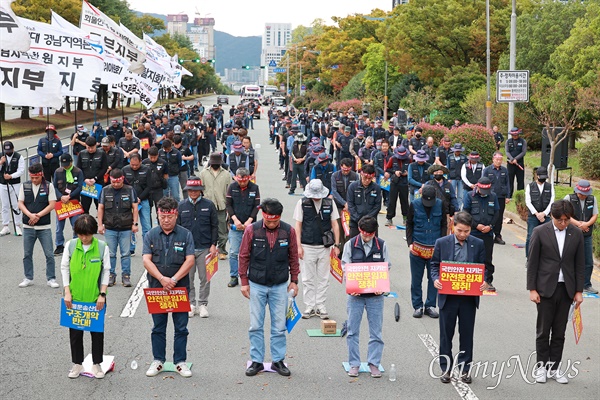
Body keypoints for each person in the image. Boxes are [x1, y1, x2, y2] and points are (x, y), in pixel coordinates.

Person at [238, 198, 300, 377]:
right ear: (263, 216)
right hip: (256, 284)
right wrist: (243, 282)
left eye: (275, 220)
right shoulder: (252, 230)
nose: (272, 223)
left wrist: (294, 280)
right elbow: (243, 256)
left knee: (279, 326)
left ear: (280, 216)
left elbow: (293, 257)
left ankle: (278, 360)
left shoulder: (288, 231)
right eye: (268, 220)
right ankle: (256, 361)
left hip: (280, 285)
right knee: (256, 325)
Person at [527, 200, 584, 384]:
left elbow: (579, 264)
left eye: (567, 220)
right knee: (543, 330)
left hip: (566, 289)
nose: (563, 223)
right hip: (545, 289)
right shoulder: (540, 232)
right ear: (552, 216)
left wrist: (578, 291)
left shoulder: (576, 234)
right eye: (560, 220)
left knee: (560, 331)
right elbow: (532, 262)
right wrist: (532, 289)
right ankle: (541, 367)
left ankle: (554, 367)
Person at [431, 211, 488, 384]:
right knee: (446, 335)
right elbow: (434, 265)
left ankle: (465, 369)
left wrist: (484, 281)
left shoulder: (478, 244)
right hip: (448, 297)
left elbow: (484, 267)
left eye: (466, 231)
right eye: (459, 230)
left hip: (468, 298)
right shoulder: (442, 243)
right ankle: (445, 369)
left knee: (466, 335)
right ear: (452, 225)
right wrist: (435, 279)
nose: (463, 234)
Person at [143, 197, 195, 378]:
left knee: (181, 327)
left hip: (179, 289)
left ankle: (180, 361)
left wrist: (173, 279)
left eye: (170, 217)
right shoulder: (150, 234)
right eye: (162, 216)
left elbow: (190, 260)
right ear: (158, 215)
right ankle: (158, 360)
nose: (166, 220)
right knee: (158, 327)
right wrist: (161, 278)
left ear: (176, 215)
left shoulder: (185, 234)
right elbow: (146, 259)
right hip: (158, 289)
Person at [60, 214, 110, 379]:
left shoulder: (102, 247)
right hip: (75, 297)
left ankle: (97, 364)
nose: (84, 238)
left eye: (87, 234)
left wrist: (102, 294)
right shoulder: (71, 246)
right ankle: (77, 364)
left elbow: (106, 271)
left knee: (97, 332)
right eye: (81, 234)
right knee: (75, 333)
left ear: (93, 232)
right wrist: (67, 292)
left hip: (95, 297)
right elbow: (64, 268)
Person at [342, 216, 390, 378]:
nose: (367, 236)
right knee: (352, 331)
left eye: (370, 234)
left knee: (376, 332)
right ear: (360, 230)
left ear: (374, 232)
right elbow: (345, 265)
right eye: (364, 233)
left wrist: (381, 286)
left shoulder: (382, 245)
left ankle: (374, 363)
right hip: (355, 296)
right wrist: (350, 285)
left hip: (375, 296)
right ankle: (354, 364)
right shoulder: (351, 244)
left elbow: (386, 266)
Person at [294, 179, 341, 319]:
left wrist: (337, 245)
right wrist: (298, 246)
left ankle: (320, 305)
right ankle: (309, 306)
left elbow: (335, 224)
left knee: (323, 278)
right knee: (307, 278)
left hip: (325, 246)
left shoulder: (329, 202)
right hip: (307, 245)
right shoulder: (302, 203)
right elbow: (298, 226)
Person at [177, 177, 218, 318]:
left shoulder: (209, 205)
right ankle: (191, 303)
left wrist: (214, 244)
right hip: (186, 250)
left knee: (205, 278)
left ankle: (203, 304)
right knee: (187, 278)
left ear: (200, 191)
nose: (193, 193)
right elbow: (177, 228)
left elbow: (214, 226)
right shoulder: (181, 206)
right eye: (190, 190)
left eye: (196, 190)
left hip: (205, 248)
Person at [407, 185, 447, 318]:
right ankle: (417, 306)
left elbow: (443, 225)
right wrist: (410, 244)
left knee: (434, 279)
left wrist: (442, 244)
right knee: (416, 279)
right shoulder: (414, 204)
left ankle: (430, 305)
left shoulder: (440, 204)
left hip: (434, 248)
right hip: (418, 247)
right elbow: (409, 224)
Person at [17, 163, 59, 288]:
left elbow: (52, 204)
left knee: (49, 254)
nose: (34, 180)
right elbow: (20, 203)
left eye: (36, 178)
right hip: (28, 226)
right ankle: (28, 277)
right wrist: (30, 215)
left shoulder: (49, 186)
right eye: (32, 178)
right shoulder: (24, 186)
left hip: (44, 226)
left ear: (41, 175)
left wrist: (38, 216)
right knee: (27, 254)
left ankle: (51, 278)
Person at [97, 168, 139, 287]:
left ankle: (126, 276)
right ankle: (111, 275)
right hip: (110, 227)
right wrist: (100, 224)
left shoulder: (130, 190)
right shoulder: (105, 190)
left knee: (126, 253)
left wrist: (135, 224)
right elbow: (100, 208)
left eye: (118, 182)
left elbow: (135, 208)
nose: (115, 184)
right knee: (110, 254)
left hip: (125, 227)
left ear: (122, 180)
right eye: (113, 182)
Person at [225, 167, 260, 288]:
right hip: (236, 224)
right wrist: (234, 219)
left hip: (250, 225)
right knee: (234, 252)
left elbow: (257, 206)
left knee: (251, 252)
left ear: (248, 178)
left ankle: (249, 275)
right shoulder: (232, 187)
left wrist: (250, 221)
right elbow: (228, 205)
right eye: (240, 181)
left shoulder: (254, 188)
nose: (242, 183)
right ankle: (234, 276)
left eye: (244, 181)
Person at [462, 177, 499, 291]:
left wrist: (490, 226)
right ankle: (469, 280)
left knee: (487, 258)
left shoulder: (493, 196)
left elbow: (497, 213)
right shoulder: (469, 196)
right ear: (477, 187)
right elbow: (466, 213)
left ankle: (487, 281)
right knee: (470, 256)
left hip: (487, 233)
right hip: (473, 232)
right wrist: (476, 225)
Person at [565, 181, 598, 294]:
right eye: (580, 193)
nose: (582, 196)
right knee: (570, 259)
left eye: (585, 194)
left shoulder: (592, 199)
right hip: (572, 234)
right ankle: (570, 283)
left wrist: (586, 224)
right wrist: (579, 225)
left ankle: (586, 284)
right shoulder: (569, 198)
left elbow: (595, 215)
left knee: (588, 261)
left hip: (586, 235)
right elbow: (566, 216)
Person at [200, 152, 233, 259]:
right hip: (206, 205)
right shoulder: (204, 173)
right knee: (206, 228)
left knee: (222, 229)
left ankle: (222, 250)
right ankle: (208, 249)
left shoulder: (226, 174)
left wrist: (229, 207)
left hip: (221, 205)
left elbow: (230, 192)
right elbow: (200, 190)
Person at [53, 154, 84, 255]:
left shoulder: (78, 172)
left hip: (73, 201)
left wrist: (69, 196)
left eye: (67, 164)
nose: (65, 166)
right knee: (59, 227)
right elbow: (55, 187)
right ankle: (59, 245)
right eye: (63, 164)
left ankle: (75, 244)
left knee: (76, 225)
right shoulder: (58, 172)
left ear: (71, 162)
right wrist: (61, 196)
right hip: (61, 202)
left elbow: (80, 187)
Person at [122, 154, 151, 255]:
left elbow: (149, 186)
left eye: (136, 165)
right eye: (132, 165)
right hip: (129, 201)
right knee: (131, 224)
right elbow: (123, 186)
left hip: (143, 200)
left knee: (146, 225)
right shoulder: (125, 170)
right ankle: (131, 248)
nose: (134, 167)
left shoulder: (147, 170)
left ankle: (148, 249)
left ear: (141, 161)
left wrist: (140, 198)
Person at [525, 167, 554, 262]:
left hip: (546, 217)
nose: (543, 179)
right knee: (530, 237)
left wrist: (544, 213)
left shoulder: (550, 186)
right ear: (537, 176)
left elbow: (551, 201)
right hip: (533, 216)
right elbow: (528, 202)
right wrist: (537, 214)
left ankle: (544, 259)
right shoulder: (530, 186)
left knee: (547, 238)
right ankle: (529, 259)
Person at [482, 152, 511, 245]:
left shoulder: (505, 170)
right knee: (489, 214)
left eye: (500, 160)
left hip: (501, 196)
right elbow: (483, 182)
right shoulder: (487, 170)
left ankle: (498, 235)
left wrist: (508, 196)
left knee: (499, 216)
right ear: (493, 160)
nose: (498, 162)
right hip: (490, 196)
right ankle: (488, 232)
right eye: (497, 160)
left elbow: (507, 183)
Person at [347, 164, 382, 238]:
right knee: (355, 246)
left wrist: (367, 220)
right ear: (361, 175)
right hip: (355, 223)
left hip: (371, 224)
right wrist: (359, 219)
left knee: (373, 247)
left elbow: (377, 206)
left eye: (370, 178)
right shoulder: (352, 187)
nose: (367, 180)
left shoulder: (376, 188)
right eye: (365, 178)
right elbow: (350, 205)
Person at [77, 137, 108, 214]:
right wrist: (84, 179)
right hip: (86, 184)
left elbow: (104, 168)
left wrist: (95, 179)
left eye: (92, 147)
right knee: (85, 207)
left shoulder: (101, 153)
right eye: (88, 147)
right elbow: (78, 169)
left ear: (96, 145)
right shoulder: (81, 154)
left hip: (98, 183)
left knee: (100, 206)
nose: (90, 149)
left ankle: (101, 223)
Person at [0, 141, 25, 236]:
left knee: (16, 205)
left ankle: (17, 225)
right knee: (5, 205)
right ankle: (5, 226)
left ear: (13, 149)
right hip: (2, 184)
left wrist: (11, 176)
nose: (8, 152)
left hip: (15, 184)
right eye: (6, 150)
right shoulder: (1, 156)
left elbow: (21, 170)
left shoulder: (19, 157)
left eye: (10, 150)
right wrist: (1, 163)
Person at [385, 146, 410, 226]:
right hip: (394, 182)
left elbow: (411, 169)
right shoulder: (392, 159)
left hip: (404, 183)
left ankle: (405, 218)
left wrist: (407, 173)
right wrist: (394, 171)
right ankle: (389, 218)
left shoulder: (409, 160)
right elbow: (387, 169)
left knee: (405, 201)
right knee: (392, 201)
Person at [505, 127, 527, 197]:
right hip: (510, 164)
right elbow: (507, 151)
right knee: (510, 180)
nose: (515, 136)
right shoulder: (508, 141)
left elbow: (523, 152)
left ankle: (520, 196)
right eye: (513, 135)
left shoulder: (523, 141)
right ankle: (509, 196)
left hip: (519, 163)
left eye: (516, 134)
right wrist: (511, 159)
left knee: (520, 180)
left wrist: (516, 159)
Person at [446, 143, 467, 209]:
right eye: (456, 150)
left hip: (461, 178)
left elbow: (466, 169)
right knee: (452, 194)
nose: (457, 152)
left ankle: (459, 208)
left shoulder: (464, 157)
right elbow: (448, 168)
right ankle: (453, 207)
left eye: (459, 150)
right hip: (452, 178)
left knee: (460, 195)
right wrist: (448, 178)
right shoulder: (449, 157)